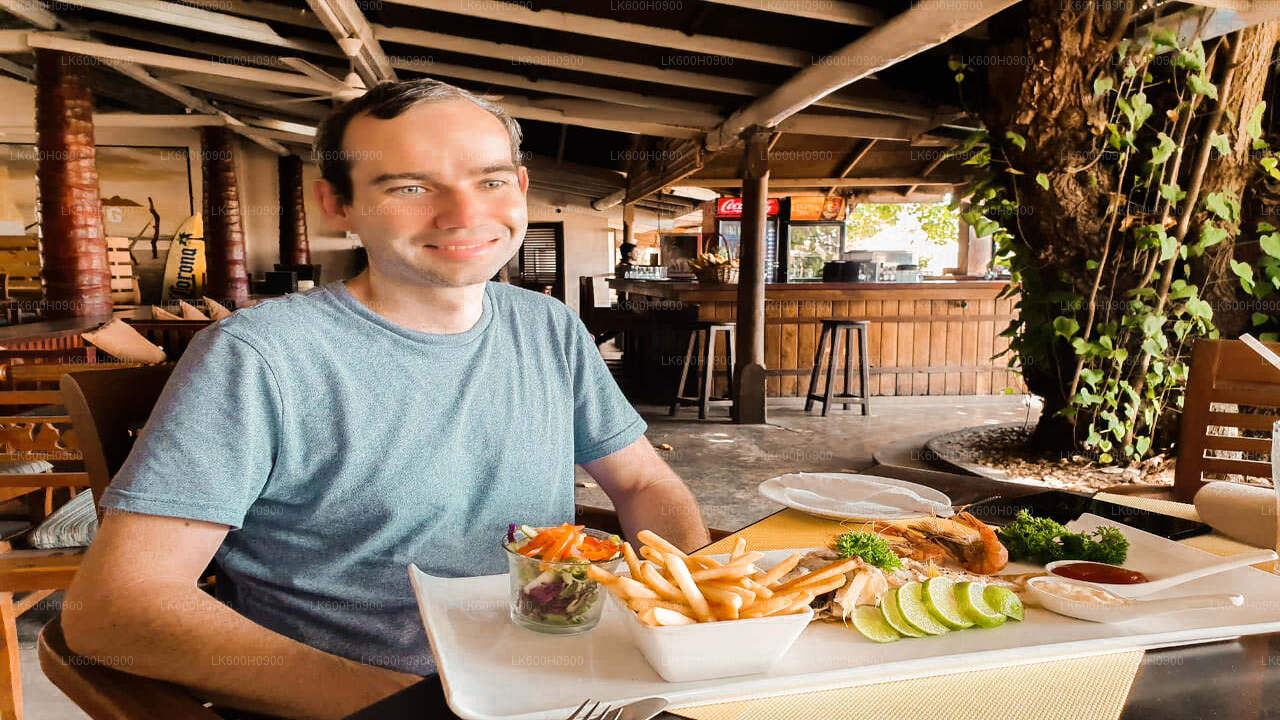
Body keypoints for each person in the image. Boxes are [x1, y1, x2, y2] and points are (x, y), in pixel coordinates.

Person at [61, 78, 710, 720]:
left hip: (568, 680)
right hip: (365, 699)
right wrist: (416, 710)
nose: (463, 214)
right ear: (336, 205)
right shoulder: (258, 356)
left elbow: (644, 484)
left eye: (490, 181)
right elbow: (116, 610)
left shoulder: (547, 325)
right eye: (410, 187)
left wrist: (691, 619)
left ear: (521, 188)